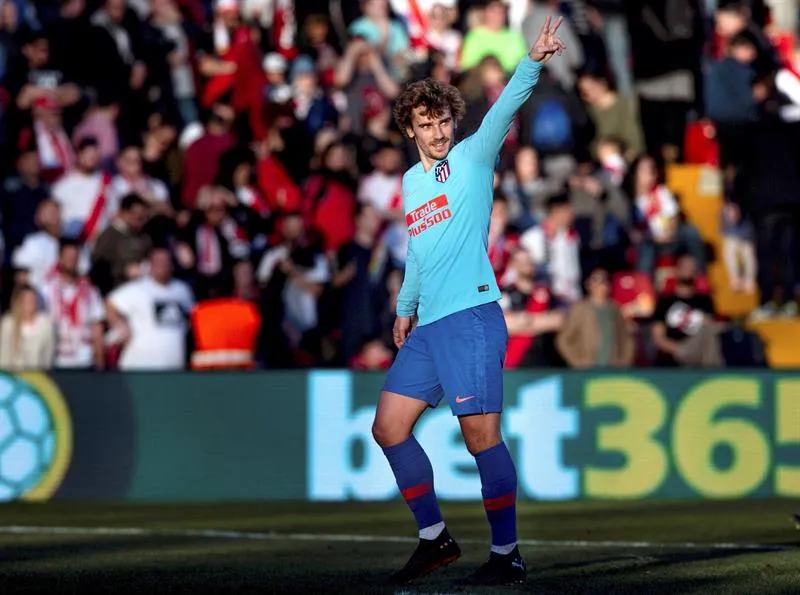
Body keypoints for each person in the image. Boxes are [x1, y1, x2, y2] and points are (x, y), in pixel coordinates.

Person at [371, 16, 567, 586]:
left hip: (472, 317)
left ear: (455, 121)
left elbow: (506, 104)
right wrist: (405, 306)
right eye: (425, 124)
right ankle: (434, 540)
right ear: (409, 129)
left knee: (481, 438)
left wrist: (533, 60)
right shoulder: (410, 183)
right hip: (428, 324)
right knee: (388, 429)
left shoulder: (476, 157)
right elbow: (419, 251)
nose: (437, 132)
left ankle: (507, 554)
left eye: (443, 121)